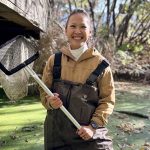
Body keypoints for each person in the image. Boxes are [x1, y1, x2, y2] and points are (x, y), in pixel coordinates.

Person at [39, 8, 115, 150]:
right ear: (66, 30)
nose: (77, 31)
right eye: (73, 26)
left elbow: (107, 101)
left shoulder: (101, 64)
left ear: (90, 32)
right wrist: (50, 102)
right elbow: (43, 92)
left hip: (88, 133)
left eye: (83, 27)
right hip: (56, 135)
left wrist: (92, 127)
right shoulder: (53, 60)